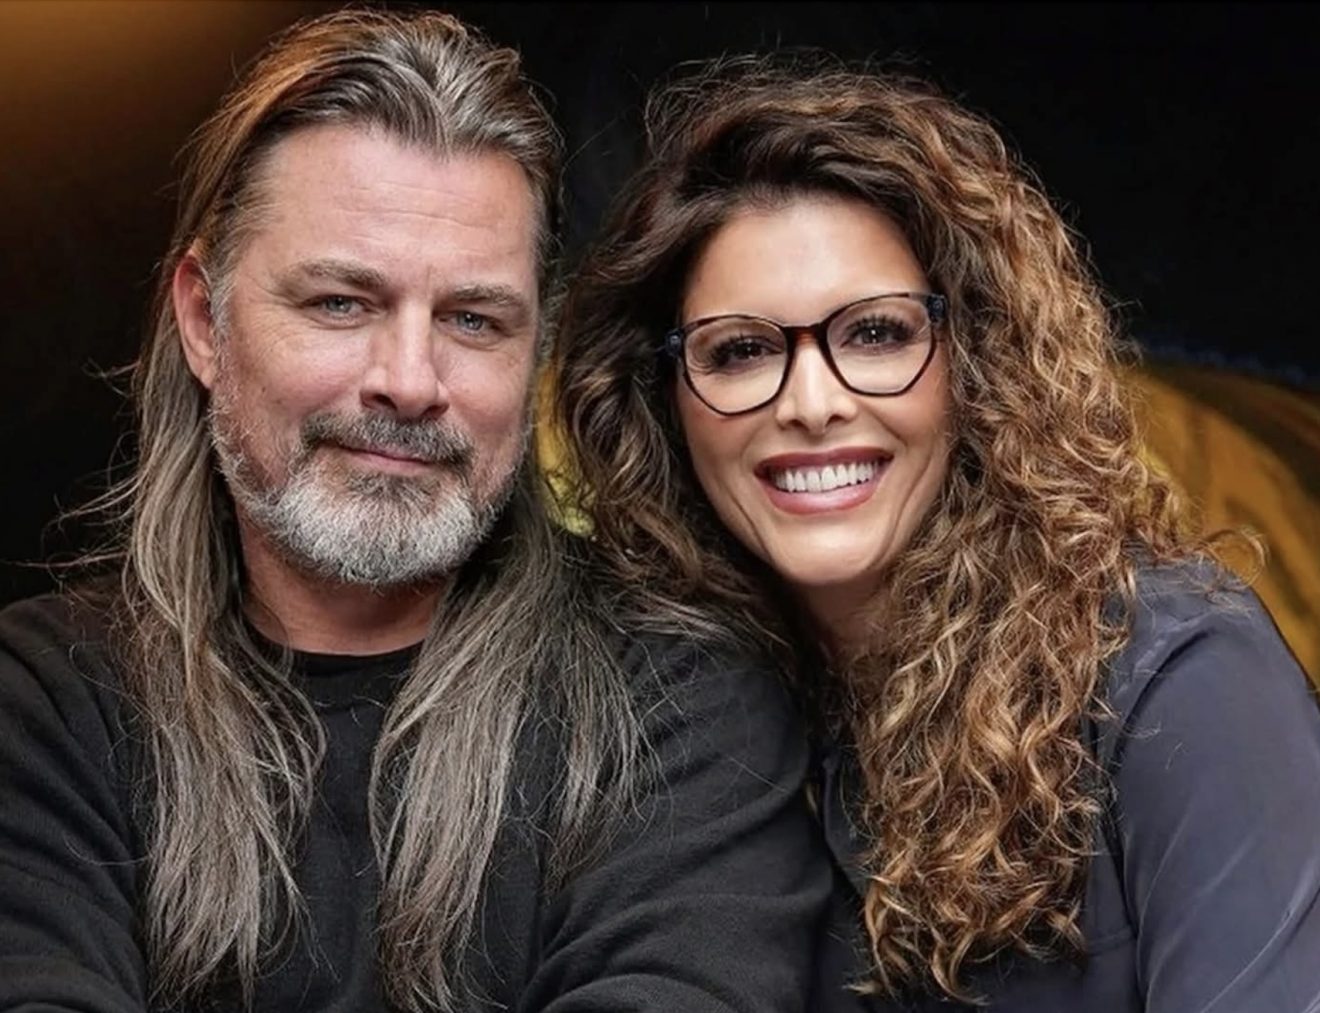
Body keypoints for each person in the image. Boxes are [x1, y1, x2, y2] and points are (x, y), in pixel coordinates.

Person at [0, 15, 833, 1012]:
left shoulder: (682, 705)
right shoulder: (48, 700)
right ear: (203, 320)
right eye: (341, 303)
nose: (408, 381)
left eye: (472, 319)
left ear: (535, 350)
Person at [551, 54, 1320, 1011]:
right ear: (663, 400)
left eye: (875, 333)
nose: (811, 403)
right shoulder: (682, 727)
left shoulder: (1177, 680)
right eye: (741, 350)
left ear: (977, 361)